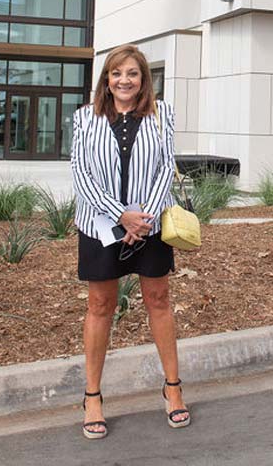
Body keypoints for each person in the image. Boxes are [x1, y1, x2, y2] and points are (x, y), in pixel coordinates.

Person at [70, 44, 186, 440]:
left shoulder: (162, 114)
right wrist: (119, 215)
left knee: (159, 300)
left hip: (150, 227)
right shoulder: (84, 118)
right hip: (99, 225)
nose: (125, 80)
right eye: (117, 73)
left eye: (133, 73)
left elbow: (166, 166)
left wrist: (143, 218)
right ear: (107, 79)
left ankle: (172, 389)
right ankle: (92, 396)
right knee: (100, 305)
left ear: (143, 80)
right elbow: (81, 173)